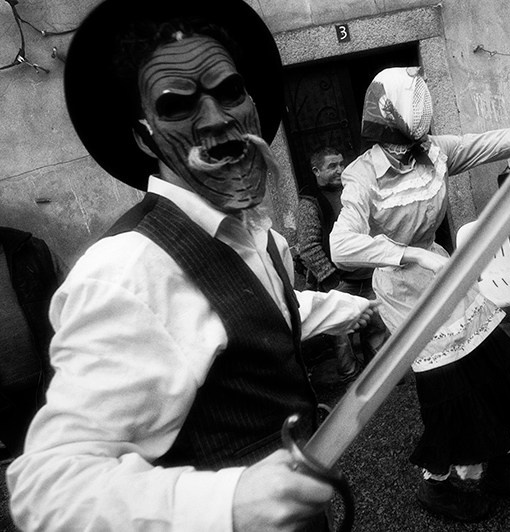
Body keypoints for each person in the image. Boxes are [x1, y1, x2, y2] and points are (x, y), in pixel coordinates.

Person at [6, 1, 377, 530]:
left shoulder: (256, 232)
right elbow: (46, 490)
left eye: (229, 93)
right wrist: (227, 502)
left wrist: (359, 307)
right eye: (178, 105)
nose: (217, 119)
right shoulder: (126, 272)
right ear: (144, 136)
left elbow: (268, 311)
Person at [329, 67, 510, 523]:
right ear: (388, 109)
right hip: (406, 296)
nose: (422, 101)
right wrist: (414, 257)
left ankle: (502, 470)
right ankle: (435, 488)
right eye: (412, 96)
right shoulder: (362, 177)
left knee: (499, 366)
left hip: (450, 283)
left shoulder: (438, 152)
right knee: (449, 392)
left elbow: (507, 139)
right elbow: (341, 247)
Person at [297, 147, 388, 382]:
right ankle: (351, 378)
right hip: (338, 282)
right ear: (316, 171)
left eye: (340, 163)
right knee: (340, 336)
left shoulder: (353, 191)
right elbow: (308, 247)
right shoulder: (310, 202)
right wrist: (331, 279)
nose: (340, 169)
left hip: (367, 277)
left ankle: (379, 379)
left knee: (376, 327)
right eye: (332, 166)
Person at [0, 228, 63, 458]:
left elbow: (74, 307)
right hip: (6, 407)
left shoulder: (32, 250)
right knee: (36, 471)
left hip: (56, 385)